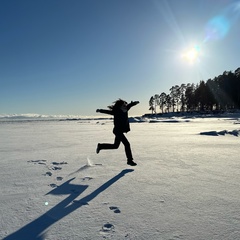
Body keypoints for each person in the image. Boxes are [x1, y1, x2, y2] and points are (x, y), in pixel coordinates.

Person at [96, 99, 139, 166]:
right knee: (127, 144)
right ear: (120, 106)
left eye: (125, 104)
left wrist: (134, 103)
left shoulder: (126, 108)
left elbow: (130, 105)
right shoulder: (116, 111)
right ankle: (130, 160)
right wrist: (100, 110)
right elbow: (108, 112)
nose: (125, 106)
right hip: (117, 131)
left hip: (120, 131)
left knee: (115, 146)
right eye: (123, 105)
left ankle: (101, 146)